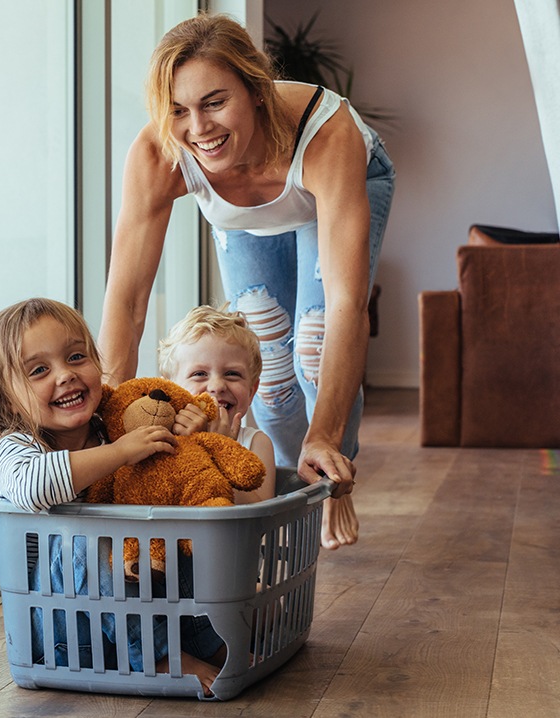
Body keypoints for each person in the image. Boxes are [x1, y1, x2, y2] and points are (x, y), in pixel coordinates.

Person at [98, 13, 395, 550]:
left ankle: (331, 472)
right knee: (271, 373)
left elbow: (348, 302)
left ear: (256, 90)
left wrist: (325, 433)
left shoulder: (327, 132)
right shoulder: (160, 152)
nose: (199, 128)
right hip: (248, 219)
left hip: (336, 184)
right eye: (179, 110)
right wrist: (105, 419)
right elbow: (128, 298)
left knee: (312, 341)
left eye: (215, 102)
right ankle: (287, 490)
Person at [0, 297, 223, 694]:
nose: (65, 375)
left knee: (174, 536)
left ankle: (206, 644)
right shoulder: (14, 447)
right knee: (87, 537)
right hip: (67, 636)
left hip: (136, 621)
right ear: (5, 397)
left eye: (77, 357)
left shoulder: (113, 427)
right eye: (39, 370)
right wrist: (122, 452)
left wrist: (186, 436)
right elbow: (33, 486)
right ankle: (161, 657)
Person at [158, 304, 276, 503]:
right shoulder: (161, 437)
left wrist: (219, 449)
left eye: (232, 374)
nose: (217, 386)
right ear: (171, 388)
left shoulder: (256, 443)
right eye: (199, 374)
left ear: (251, 391)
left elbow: (259, 512)